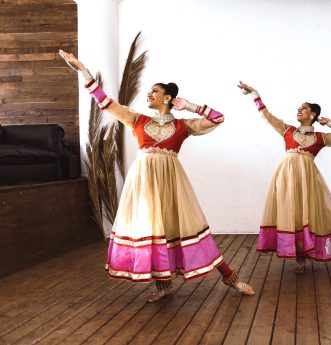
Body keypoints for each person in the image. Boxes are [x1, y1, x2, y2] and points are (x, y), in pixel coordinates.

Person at [59, 50, 254, 302]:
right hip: (143, 183)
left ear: (168, 97)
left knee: (187, 227)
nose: (149, 94)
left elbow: (218, 118)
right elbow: (105, 102)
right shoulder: (137, 119)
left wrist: (190, 106)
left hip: (172, 182)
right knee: (154, 229)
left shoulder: (183, 125)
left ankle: (231, 277)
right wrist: (82, 70)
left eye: (155, 91)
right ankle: (164, 285)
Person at [237, 81, 331, 273]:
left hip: (309, 182)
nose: (299, 110)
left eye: (303, 108)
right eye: (299, 108)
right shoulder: (287, 130)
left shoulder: (321, 137)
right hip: (286, 179)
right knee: (292, 215)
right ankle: (300, 258)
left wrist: (329, 122)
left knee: (321, 215)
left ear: (312, 115)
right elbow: (267, 115)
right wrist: (255, 94)